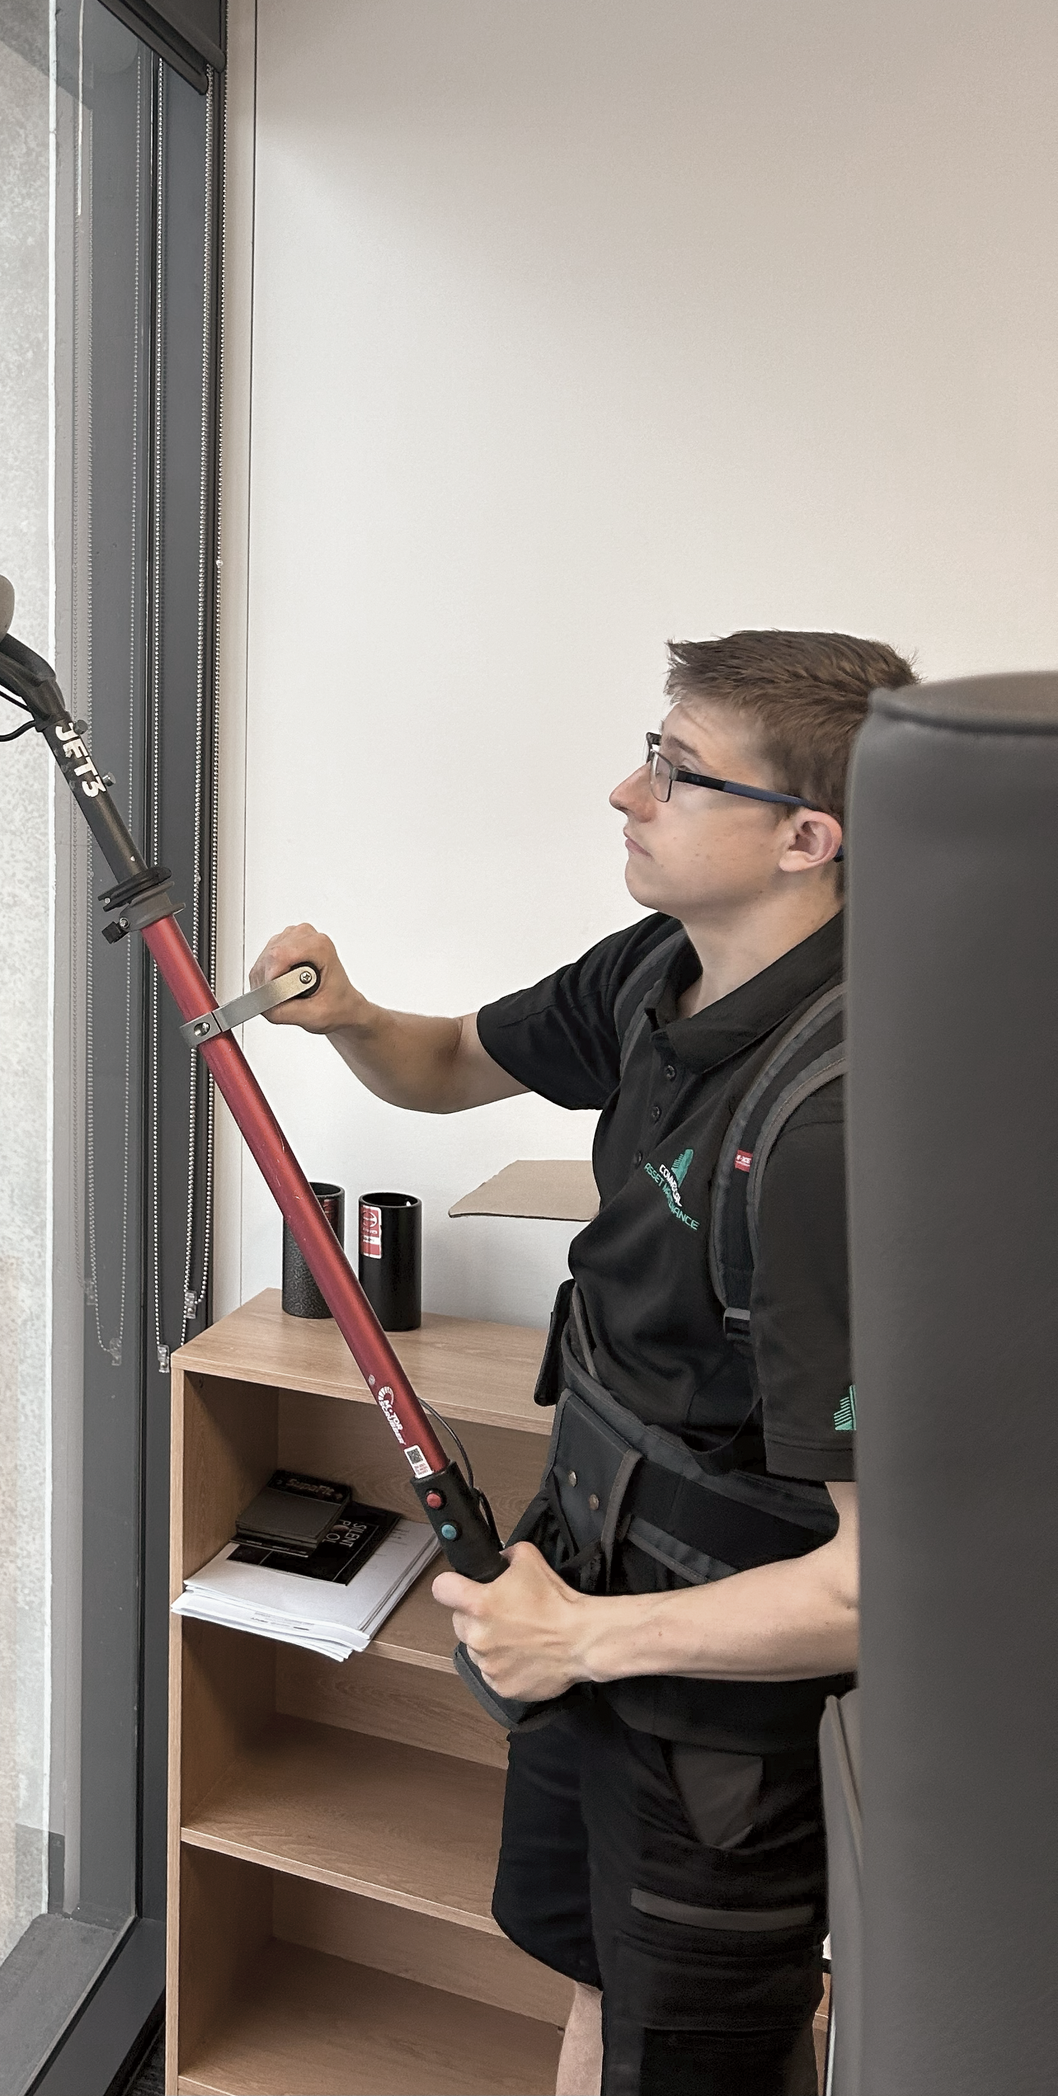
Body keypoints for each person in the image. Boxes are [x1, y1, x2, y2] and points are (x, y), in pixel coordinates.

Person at [249, 629, 913, 2096]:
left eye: (677, 769)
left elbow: (883, 1588)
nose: (628, 789)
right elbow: (442, 1065)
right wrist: (352, 1017)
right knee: (596, 1969)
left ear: (807, 837)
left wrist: (586, 1645)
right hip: (584, 1580)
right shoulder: (661, 967)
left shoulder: (833, 1130)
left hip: (710, 1705)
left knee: (699, 2051)